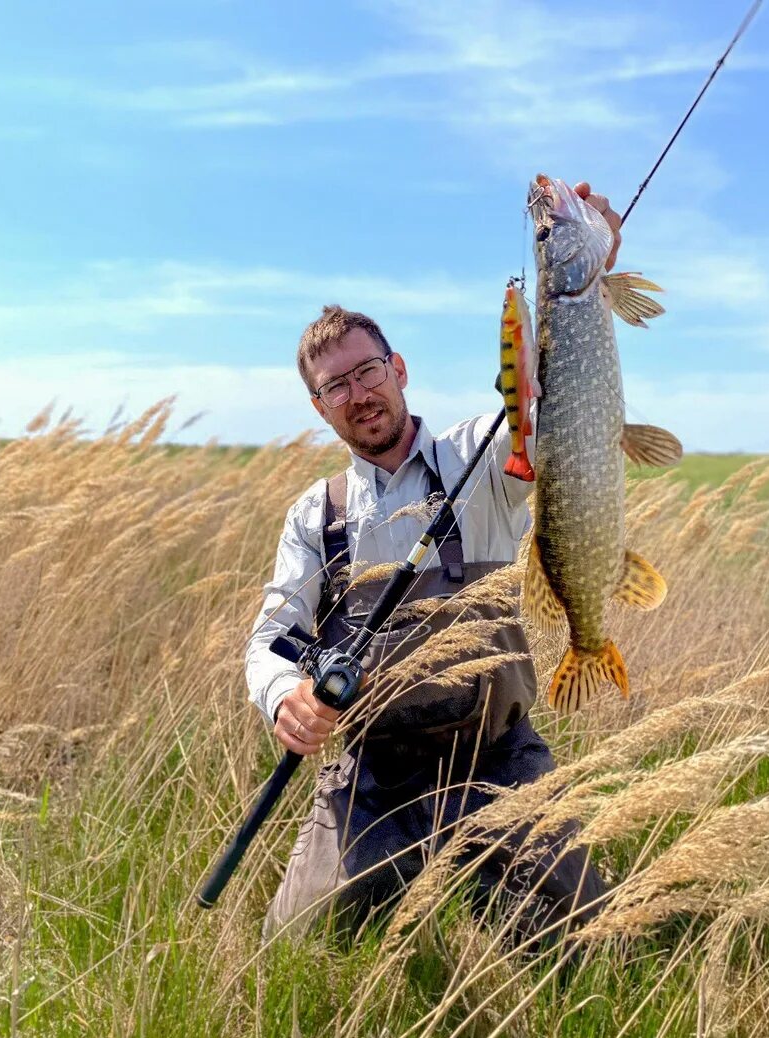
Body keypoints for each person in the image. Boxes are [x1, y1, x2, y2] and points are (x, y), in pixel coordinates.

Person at [247, 183, 622, 943]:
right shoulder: (315, 517)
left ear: (400, 369)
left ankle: (495, 886)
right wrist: (284, 694)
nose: (359, 393)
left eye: (368, 370)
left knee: (587, 934)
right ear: (320, 407)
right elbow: (271, 639)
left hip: (497, 757)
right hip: (376, 773)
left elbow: (549, 409)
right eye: (336, 386)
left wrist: (590, 273)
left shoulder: (478, 454)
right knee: (298, 946)